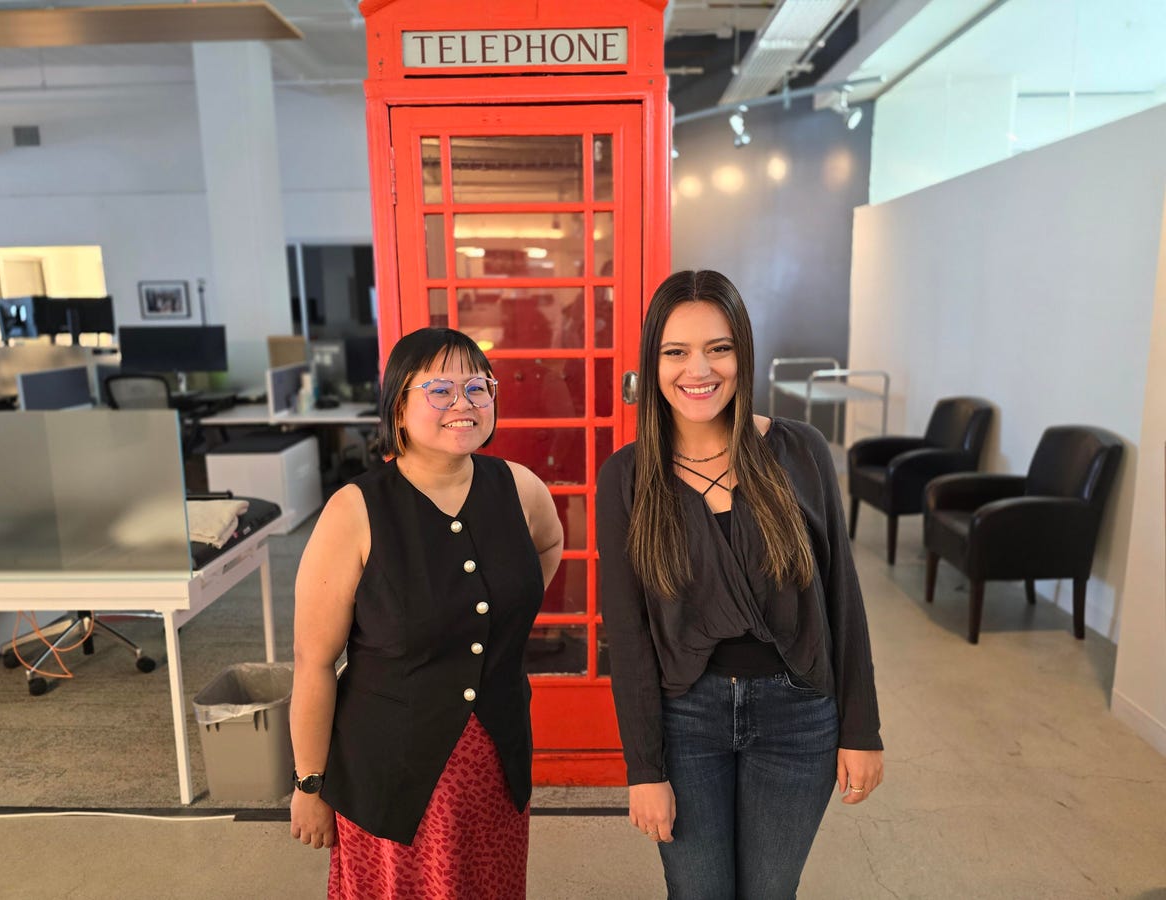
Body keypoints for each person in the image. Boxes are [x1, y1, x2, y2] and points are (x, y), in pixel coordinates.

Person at [597, 270, 884, 899]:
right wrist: (643, 769)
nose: (698, 369)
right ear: (653, 362)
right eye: (675, 351)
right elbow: (628, 633)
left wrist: (861, 729)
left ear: (742, 355)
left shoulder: (799, 451)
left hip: (799, 715)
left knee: (770, 892)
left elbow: (842, 598)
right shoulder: (626, 477)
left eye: (718, 348)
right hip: (686, 719)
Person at [289, 327, 564, 899]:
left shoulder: (520, 487)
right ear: (398, 404)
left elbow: (548, 545)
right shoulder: (356, 510)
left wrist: (490, 620)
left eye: (477, 387)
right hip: (389, 773)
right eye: (440, 390)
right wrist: (309, 784)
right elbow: (313, 663)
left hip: (495, 764)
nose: (464, 404)